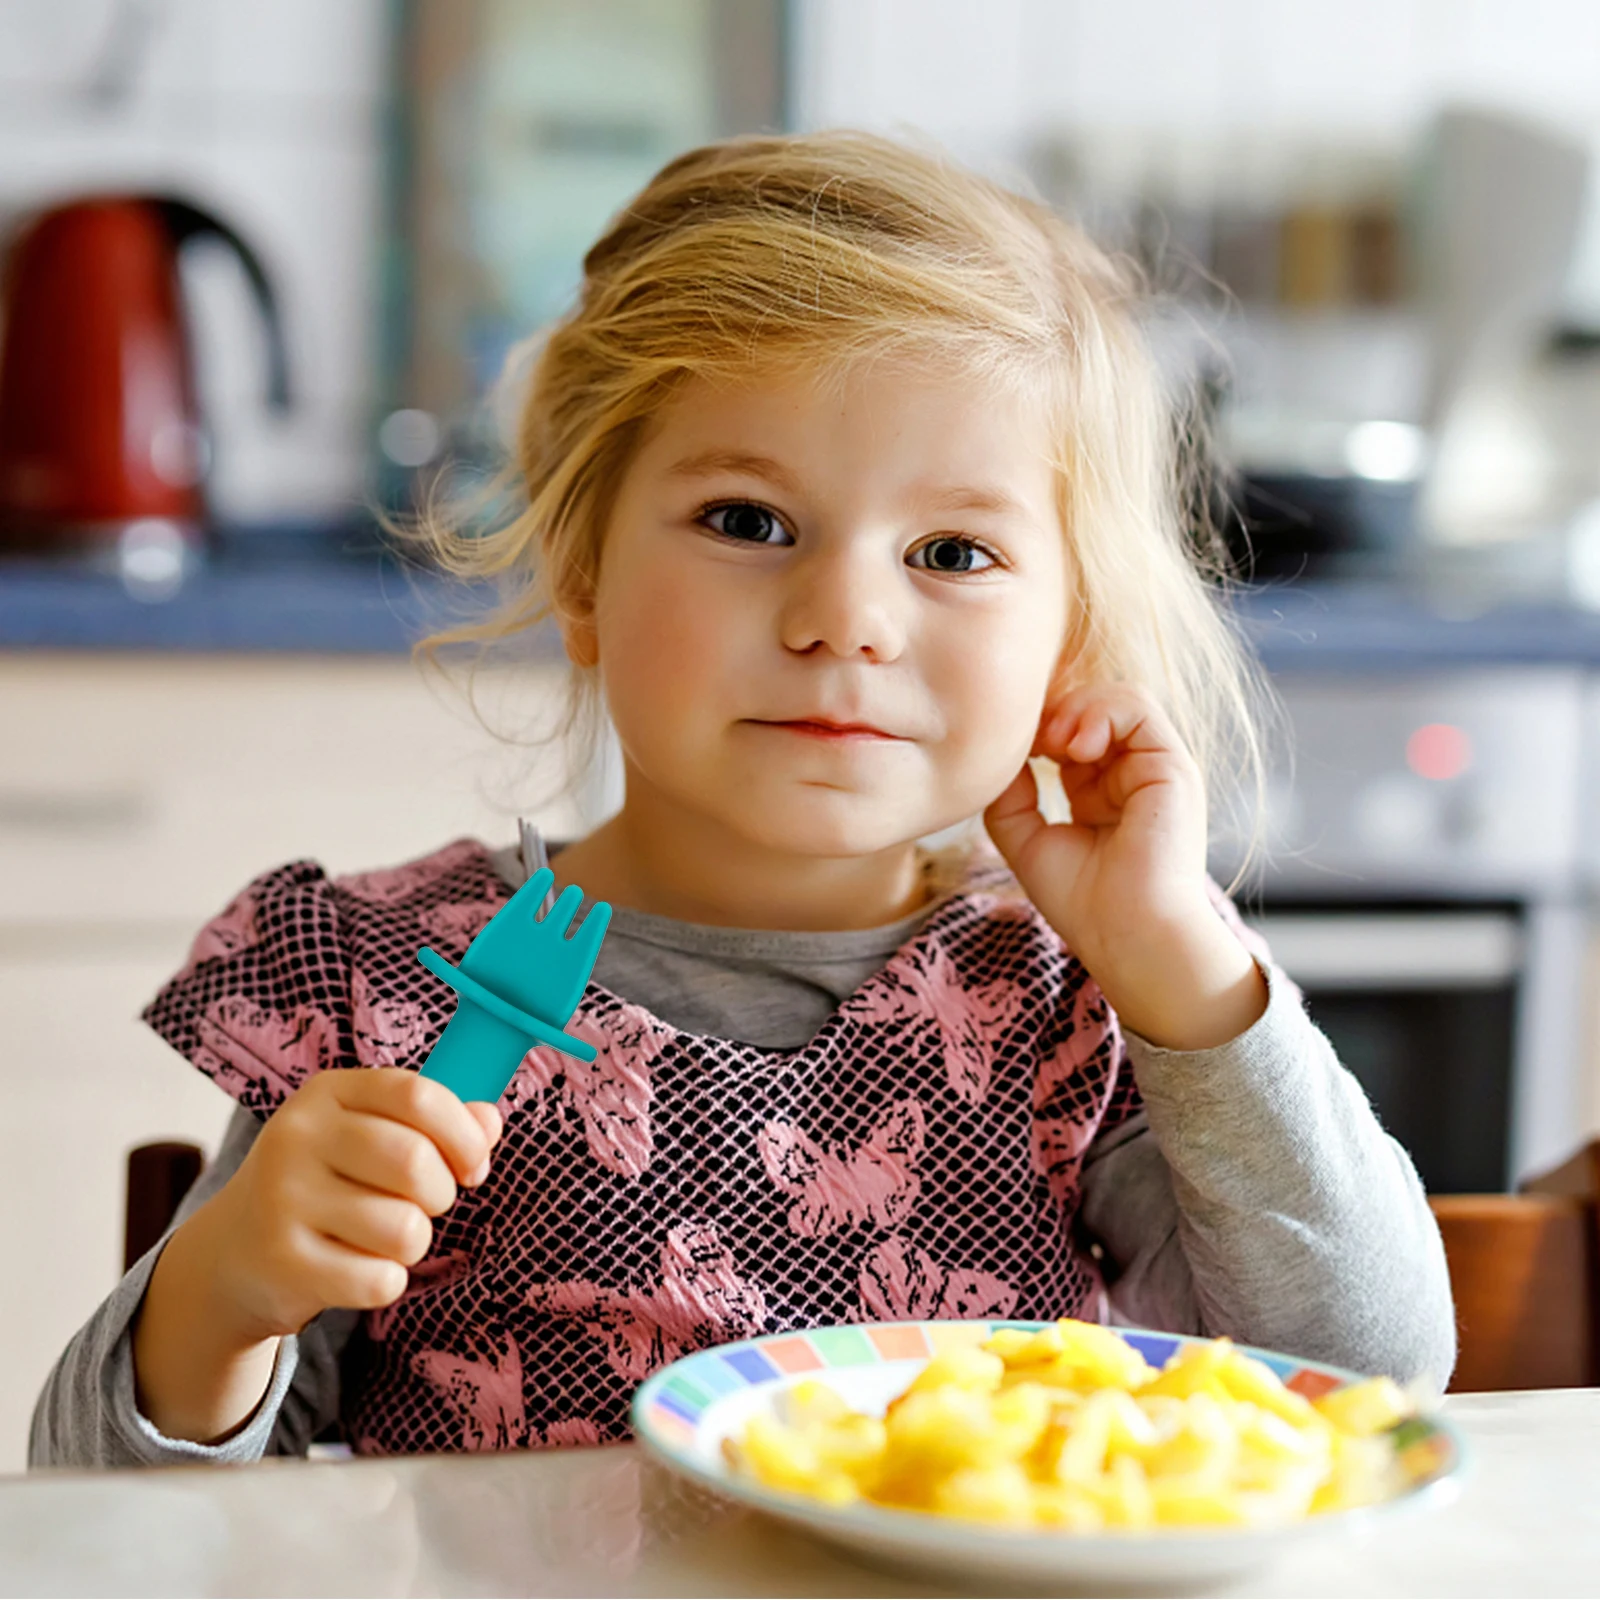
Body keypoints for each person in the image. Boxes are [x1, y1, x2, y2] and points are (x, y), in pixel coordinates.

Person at [32, 131, 1454, 1467]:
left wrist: (1180, 956)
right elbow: (100, 1495)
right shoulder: (390, 989)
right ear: (584, 577)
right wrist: (224, 1299)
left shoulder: (1079, 1006)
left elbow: (1371, 1376)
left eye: (953, 552)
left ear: (1067, 643)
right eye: (747, 523)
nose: (846, 618)